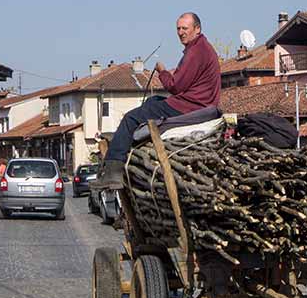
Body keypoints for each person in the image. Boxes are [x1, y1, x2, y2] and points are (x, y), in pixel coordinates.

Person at [93, 12, 221, 189]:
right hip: (196, 103)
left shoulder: (196, 51)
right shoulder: (203, 48)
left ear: (197, 29)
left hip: (189, 106)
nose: (181, 32)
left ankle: (113, 173)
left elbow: (175, 86)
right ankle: (124, 141)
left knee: (131, 118)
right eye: (178, 28)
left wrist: (162, 71)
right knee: (153, 102)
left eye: (185, 28)